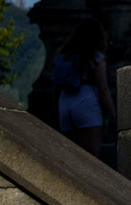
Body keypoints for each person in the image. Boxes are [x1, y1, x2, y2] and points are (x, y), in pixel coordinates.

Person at [49, 19, 114, 155]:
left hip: (65, 102)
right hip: (86, 101)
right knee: (91, 155)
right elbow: (103, 89)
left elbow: (55, 86)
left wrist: (57, 109)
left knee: (71, 155)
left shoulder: (64, 56)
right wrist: (113, 114)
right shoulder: (95, 57)